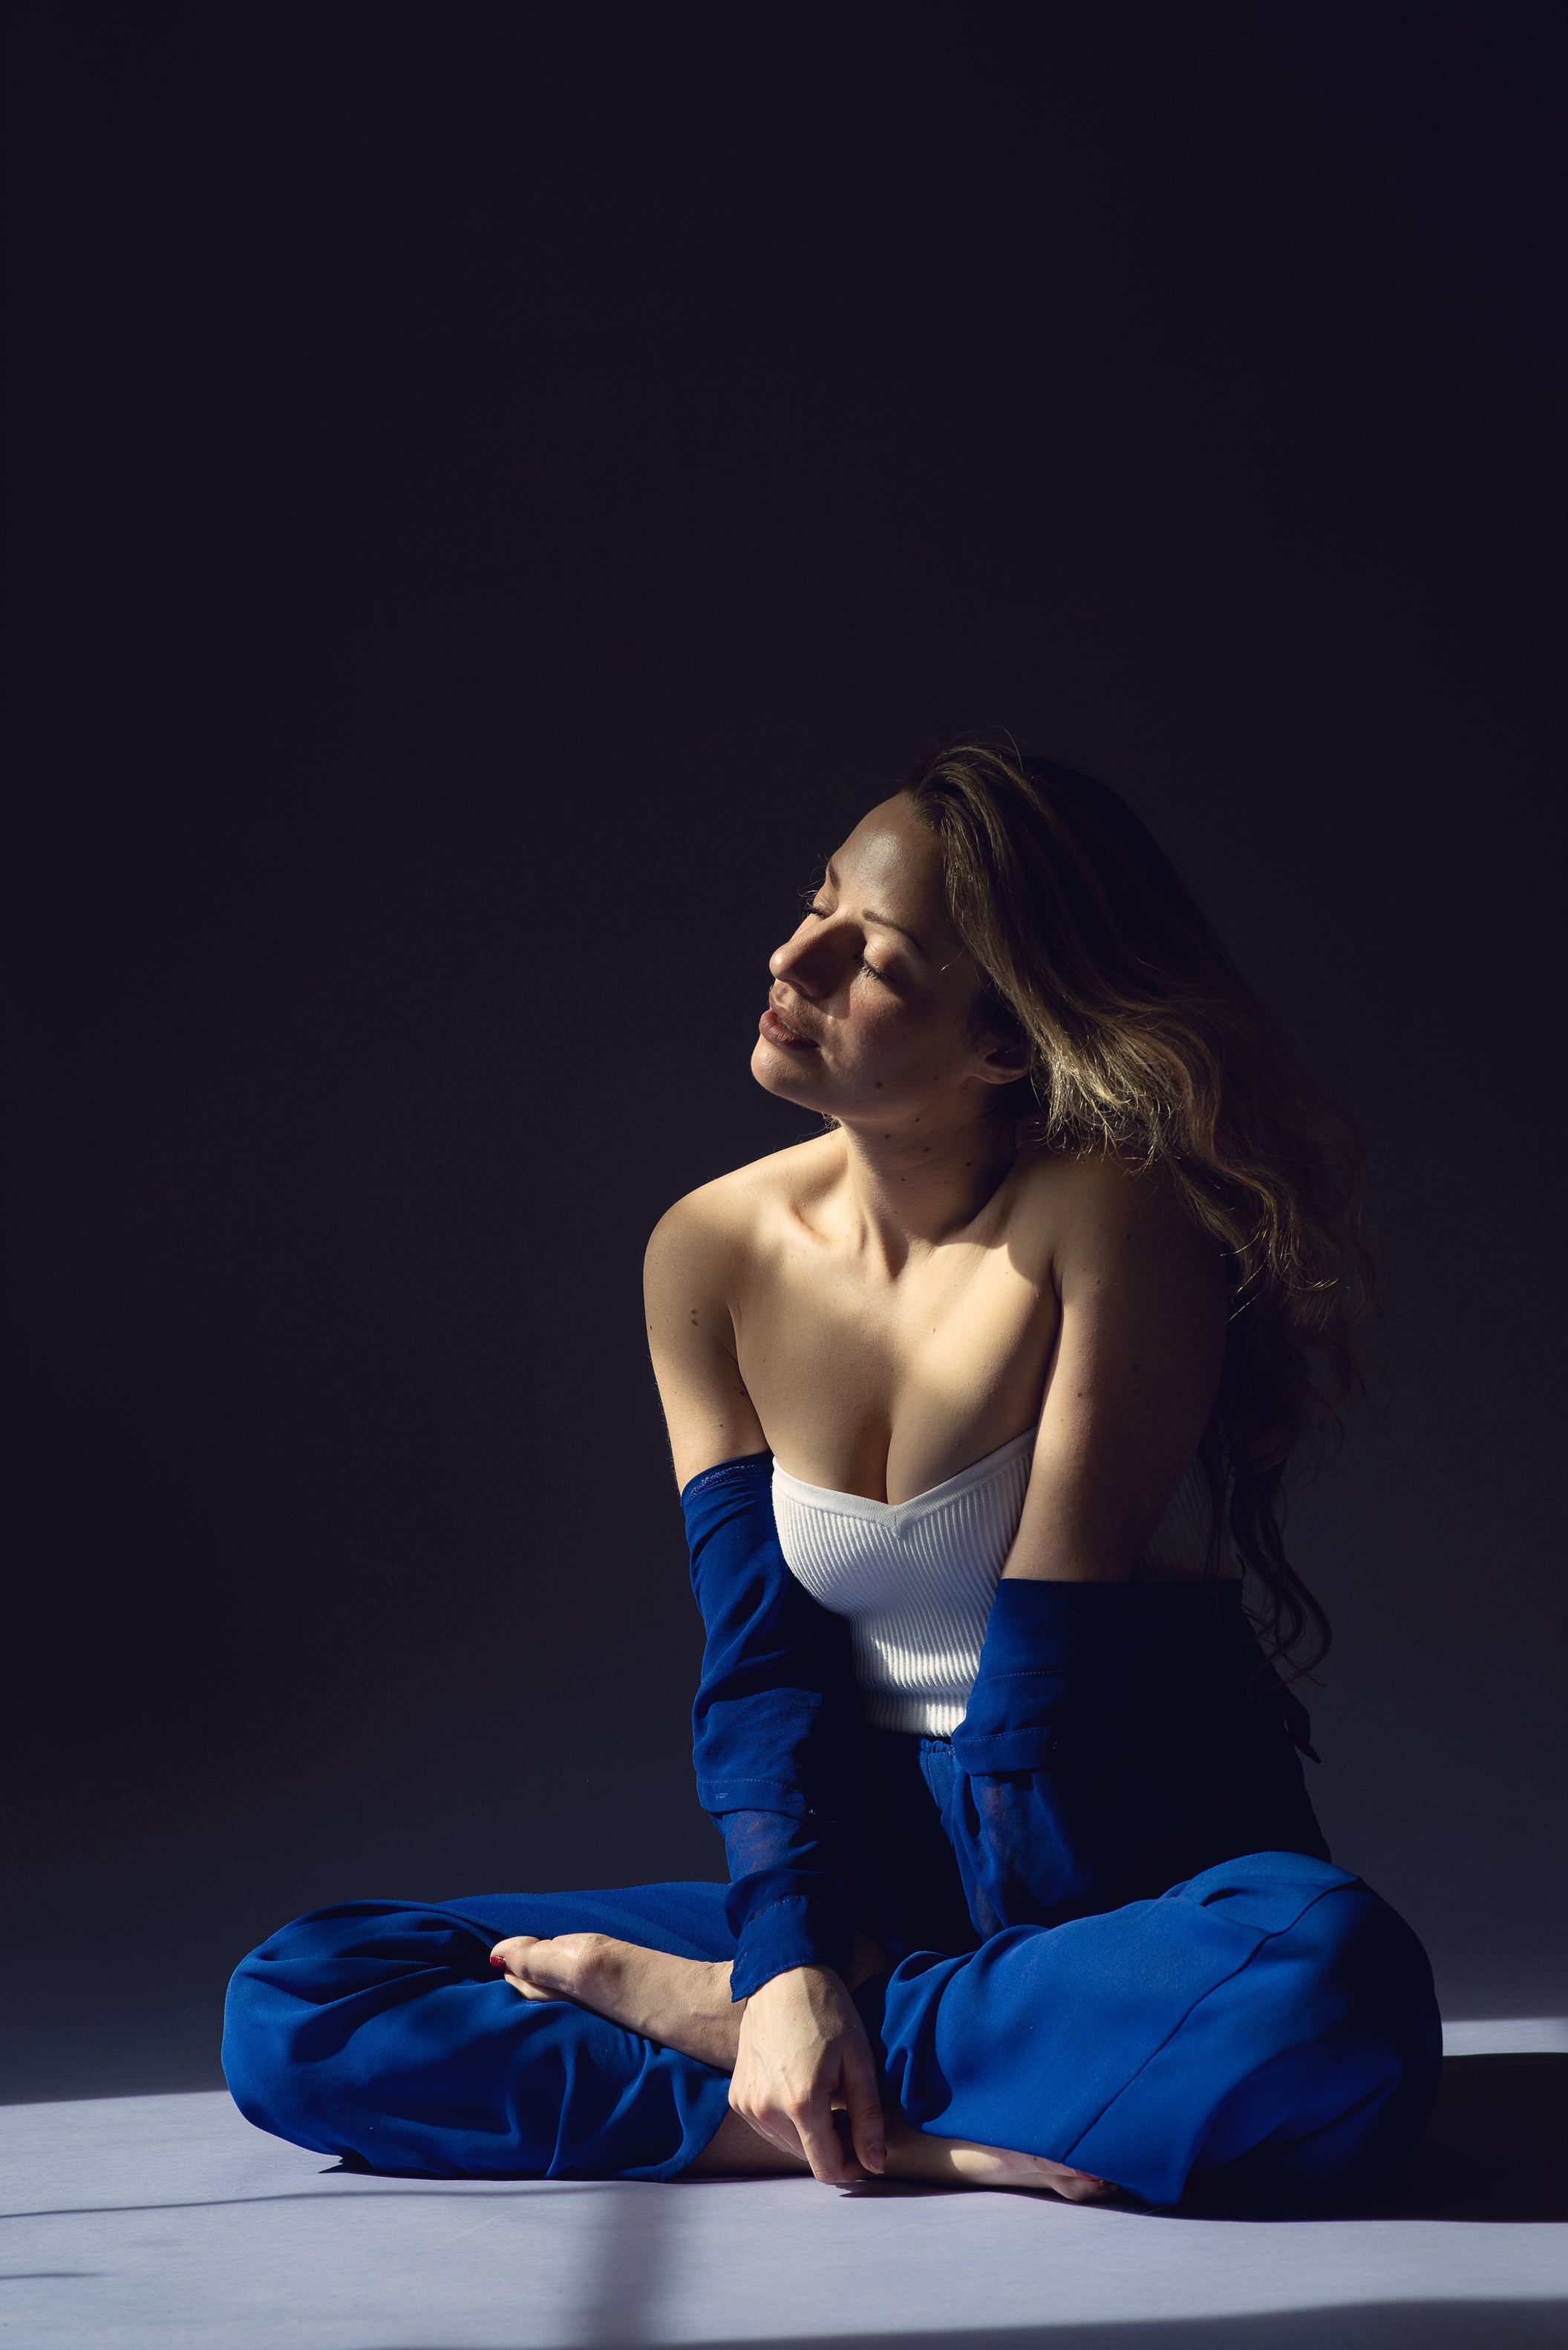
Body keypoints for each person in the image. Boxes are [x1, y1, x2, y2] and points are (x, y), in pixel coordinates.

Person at [223, 742, 1440, 2206]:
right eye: (816, 906)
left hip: (1124, 1870)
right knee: (302, 1996)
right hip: (871, 1880)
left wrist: (846, 1988)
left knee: (1333, 1990)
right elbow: (764, 1658)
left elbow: (1048, 1701)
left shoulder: (1115, 1220)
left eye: (878, 959)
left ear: (1004, 1045)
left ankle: (803, 2056)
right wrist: (796, 1953)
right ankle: (889, 2097)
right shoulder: (711, 1250)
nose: (792, 959)